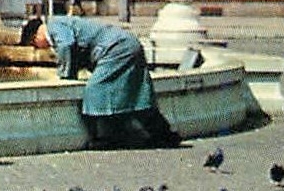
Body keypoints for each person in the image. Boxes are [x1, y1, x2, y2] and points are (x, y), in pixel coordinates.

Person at [20, 16, 181, 148]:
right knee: (137, 97)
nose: (40, 48)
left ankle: (105, 138)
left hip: (116, 49)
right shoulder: (62, 23)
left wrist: (65, 75)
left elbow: (66, 45)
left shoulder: (54, 26)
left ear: (36, 36)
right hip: (128, 44)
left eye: (35, 45)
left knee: (95, 91)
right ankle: (165, 135)